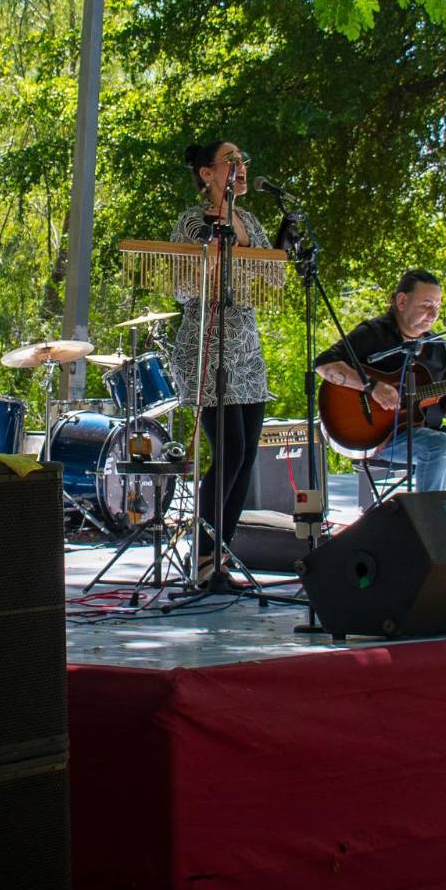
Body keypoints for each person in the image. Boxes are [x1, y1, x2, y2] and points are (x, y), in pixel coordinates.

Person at [314, 269, 446, 493]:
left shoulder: (437, 348)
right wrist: (372, 386)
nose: (433, 314)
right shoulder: (374, 334)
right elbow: (323, 364)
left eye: (437, 306)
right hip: (383, 437)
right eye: (426, 305)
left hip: (429, 431)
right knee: (440, 445)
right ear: (401, 301)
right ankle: (430, 514)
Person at [171, 140, 270, 580]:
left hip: (247, 348)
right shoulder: (193, 222)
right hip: (206, 346)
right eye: (231, 160)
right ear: (207, 173)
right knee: (229, 450)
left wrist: (240, 236)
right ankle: (202, 554)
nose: (240, 166)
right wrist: (210, 259)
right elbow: (182, 289)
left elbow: (270, 276)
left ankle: (220, 556)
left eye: (242, 159)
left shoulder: (250, 221)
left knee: (246, 456)